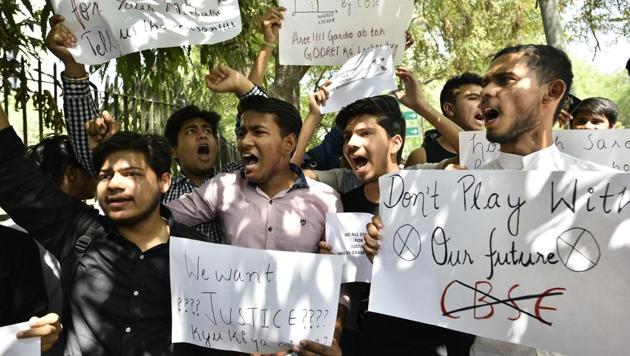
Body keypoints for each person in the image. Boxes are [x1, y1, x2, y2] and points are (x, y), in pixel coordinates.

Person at [364, 44, 613, 356]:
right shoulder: (455, 196)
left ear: (552, 92)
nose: (487, 92)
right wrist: (389, 256)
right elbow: (435, 287)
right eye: (485, 84)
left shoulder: (605, 192)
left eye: (505, 80)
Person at [0, 102, 218, 355]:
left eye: (131, 174)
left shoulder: (203, 257)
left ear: (163, 181)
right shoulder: (79, 233)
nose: (114, 184)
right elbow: (11, 171)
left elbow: (226, 339)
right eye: (105, 176)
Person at [405, 72, 484, 166]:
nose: (483, 105)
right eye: (473, 98)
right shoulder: (421, 157)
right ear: (450, 109)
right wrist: (420, 105)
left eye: (485, 99)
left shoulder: (498, 149)